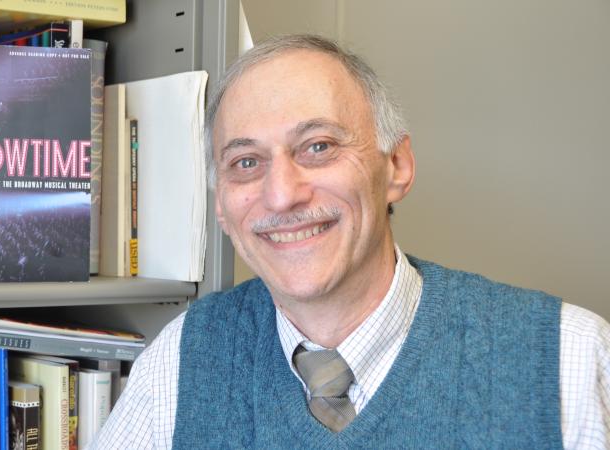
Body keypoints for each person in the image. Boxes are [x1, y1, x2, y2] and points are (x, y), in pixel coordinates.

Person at [91, 35, 610, 449]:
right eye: (245, 162)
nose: (281, 195)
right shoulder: (180, 361)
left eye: (318, 147)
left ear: (397, 167)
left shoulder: (570, 358)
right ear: (222, 206)